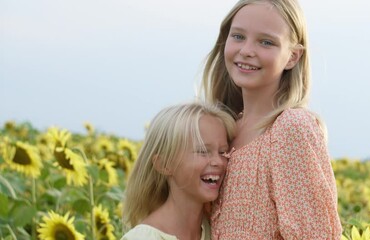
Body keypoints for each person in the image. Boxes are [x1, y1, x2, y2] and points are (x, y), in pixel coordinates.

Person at [200, 0, 343, 239]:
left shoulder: (290, 128)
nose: (246, 50)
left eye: (266, 42)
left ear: (293, 57)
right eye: (238, 36)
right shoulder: (223, 130)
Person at [121, 102, 235, 240]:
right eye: (203, 151)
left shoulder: (218, 231)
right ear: (164, 164)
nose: (218, 161)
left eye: (223, 152)